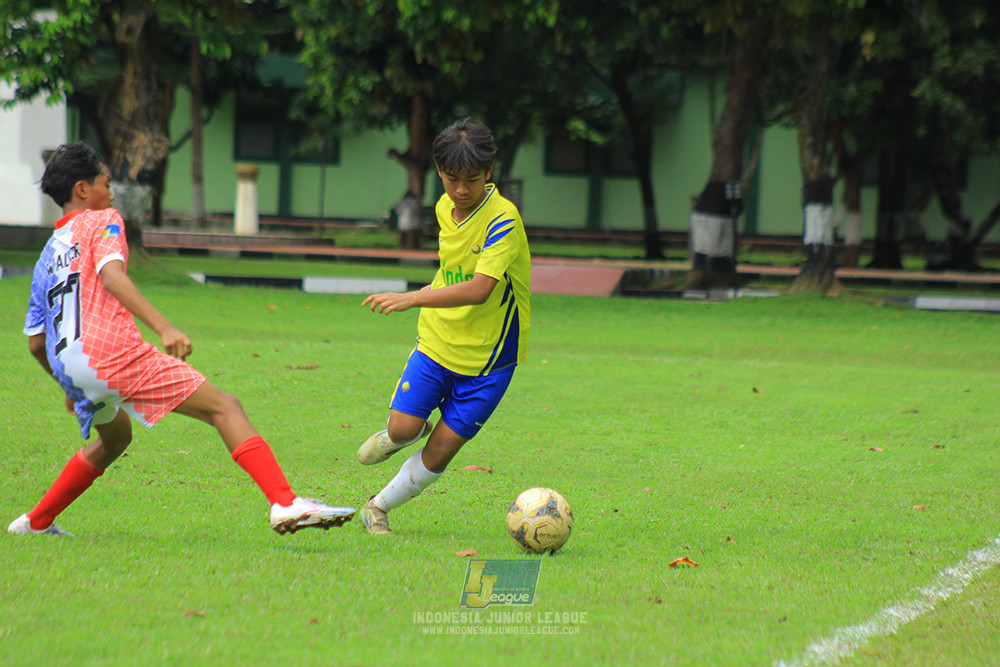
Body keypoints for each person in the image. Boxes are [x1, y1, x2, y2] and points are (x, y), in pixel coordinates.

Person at [8, 141, 354, 537]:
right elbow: (113, 276)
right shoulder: (102, 219)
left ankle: (33, 522)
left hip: (71, 367)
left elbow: (36, 343)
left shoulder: (45, 258)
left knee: (115, 437)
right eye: (106, 183)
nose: (113, 192)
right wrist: (165, 327)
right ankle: (285, 502)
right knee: (224, 407)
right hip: (112, 355)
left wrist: (69, 385)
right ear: (83, 190)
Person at [357, 119, 531, 535]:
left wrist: (413, 296)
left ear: (489, 172)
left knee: (441, 451)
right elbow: (451, 271)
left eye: (471, 179)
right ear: (439, 172)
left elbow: (479, 289)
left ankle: (377, 508)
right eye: (452, 179)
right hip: (438, 341)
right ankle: (406, 430)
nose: (461, 190)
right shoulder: (442, 207)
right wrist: (425, 298)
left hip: (490, 359)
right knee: (402, 430)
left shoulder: (503, 220)